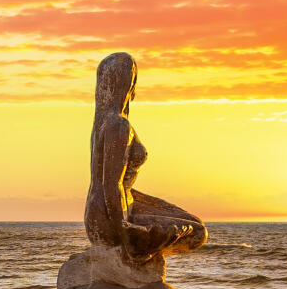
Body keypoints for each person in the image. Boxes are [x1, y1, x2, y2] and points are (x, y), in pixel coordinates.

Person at [84, 51, 206, 273]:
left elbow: (113, 184)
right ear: (127, 83)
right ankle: (135, 250)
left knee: (190, 220)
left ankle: (137, 244)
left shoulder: (102, 123)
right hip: (110, 215)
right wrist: (123, 226)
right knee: (197, 232)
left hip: (99, 212)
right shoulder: (118, 125)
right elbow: (112, 184)